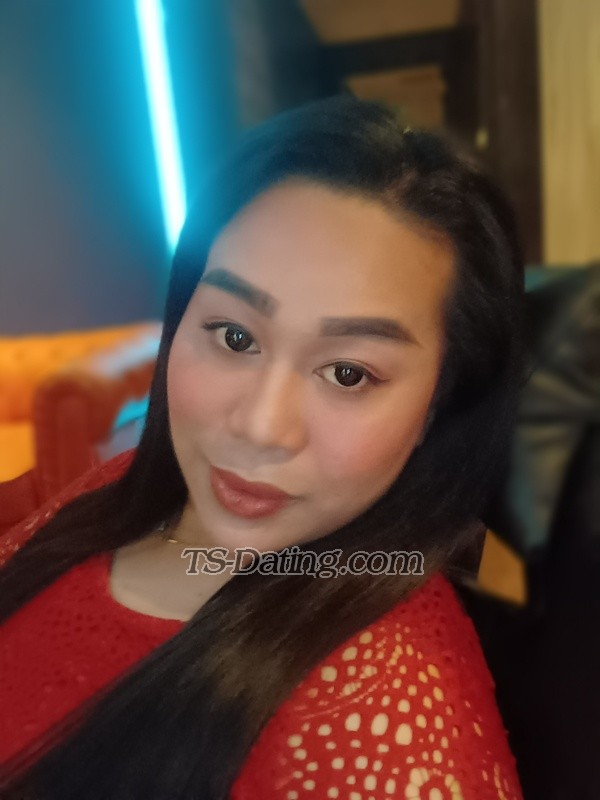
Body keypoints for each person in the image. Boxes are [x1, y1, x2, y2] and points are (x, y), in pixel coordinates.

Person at [0, 95, 526, 799]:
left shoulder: (391, 729)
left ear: (437, 405)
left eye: (348, 373)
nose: (259, 426)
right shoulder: (126, 488)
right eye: (235, 336)